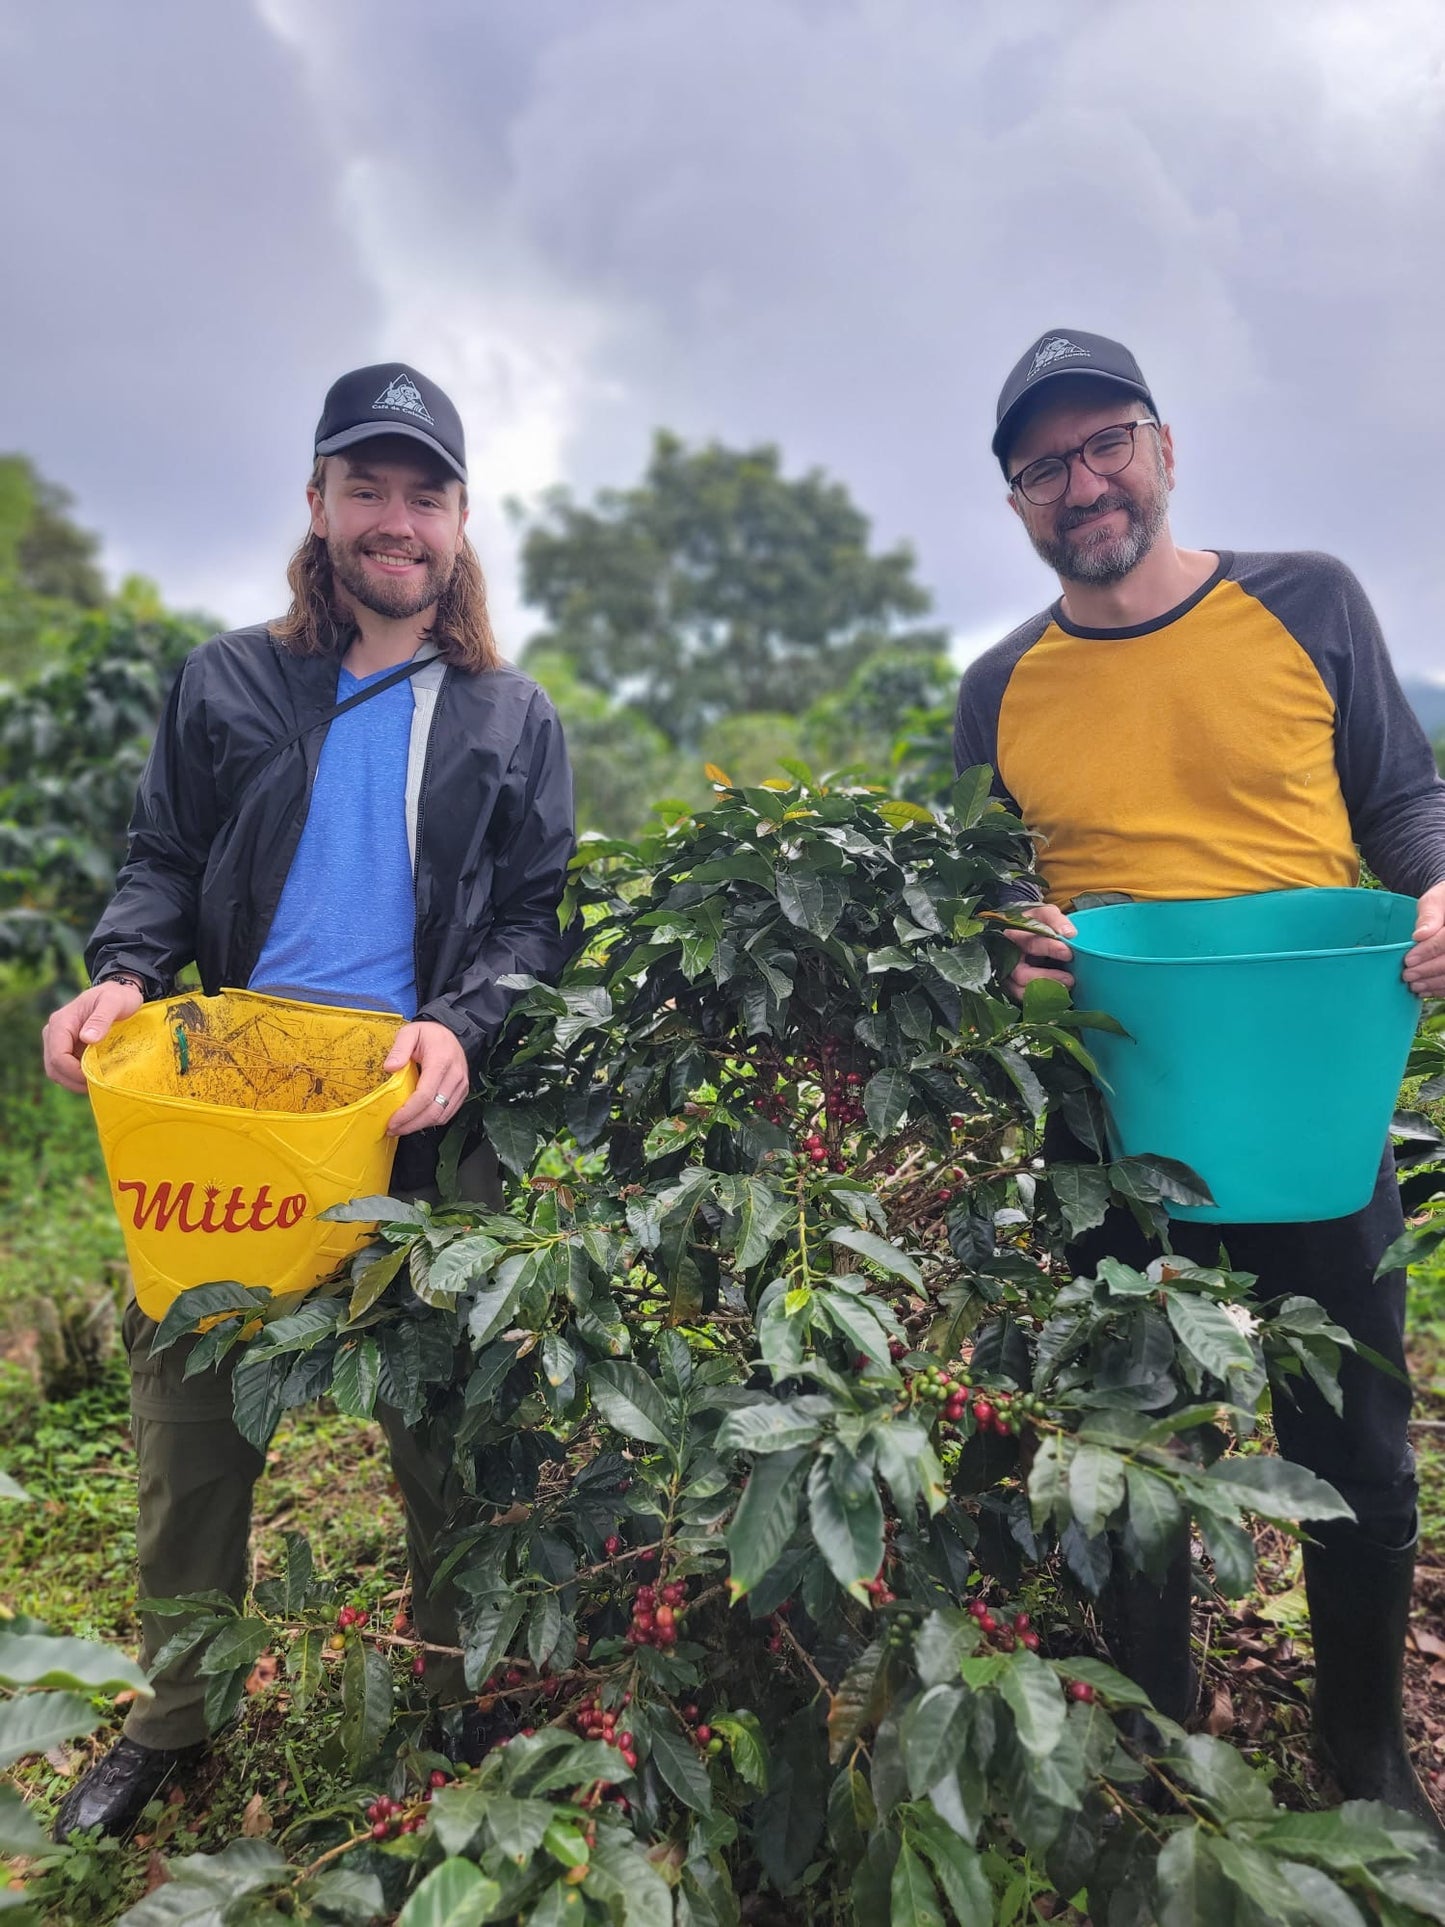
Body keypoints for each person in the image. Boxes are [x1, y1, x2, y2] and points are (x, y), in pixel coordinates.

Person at [42, 363, 577, 1839]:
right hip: (233, 1116)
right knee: (188, 1430)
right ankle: (173, 1719)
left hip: (413, 1121)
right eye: (367, 486)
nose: (394, 519)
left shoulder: (509, 717)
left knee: (456, 1436)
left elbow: (536, 920)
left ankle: (460, 1693)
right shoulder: (227, 681)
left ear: (460, 522)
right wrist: (124, 972)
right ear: (319, 501)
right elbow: (160, 856)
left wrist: (463, 1026)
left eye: (424, 493)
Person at [954, 328, 1445, 1827]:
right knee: (1129, 1436)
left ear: (1164, 451)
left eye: (1106, 444)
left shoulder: (1307, 600)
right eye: (1043, 466)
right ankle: (1159, 1755)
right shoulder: (999, 687)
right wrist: (1006, 956)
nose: (1080, 481)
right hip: (1113, 1110)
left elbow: (1401, 799)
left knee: (1353, 1435)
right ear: (1016, 503)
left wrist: (1436, 893)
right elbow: (987, 900)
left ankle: (1362, 1760)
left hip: (1304, 1091)